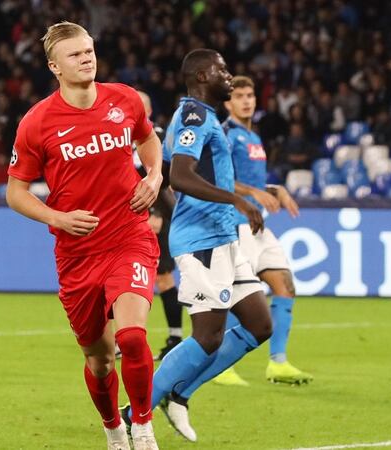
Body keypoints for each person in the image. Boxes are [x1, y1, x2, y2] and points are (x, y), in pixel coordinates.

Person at [6, 22, 162, 450]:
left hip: (129, 235)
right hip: (77, 254)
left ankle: (144, 427)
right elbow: (15, 193)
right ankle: (113, 428)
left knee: (132, 337)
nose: (87, 58)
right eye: (75, 55)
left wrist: (154, 174)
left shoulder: (125, 99)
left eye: (89, 50)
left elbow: (148, 139)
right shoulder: (37, 122)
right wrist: (56, 217)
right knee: (99, 358)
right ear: (55, 66)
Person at [144, 49, 273, 443]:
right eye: (222, 69)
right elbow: (180, 176)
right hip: (202, 242)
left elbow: (169, 176)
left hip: (223, 238)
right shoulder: (194, 116)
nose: (229, 75)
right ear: (202, 75)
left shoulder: (207, 117)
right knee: (208, 336)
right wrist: (235, 199)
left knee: (258, 324)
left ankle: (180, 394)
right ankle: (136, 411)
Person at [213, 75, 313, 386]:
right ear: (228, 103)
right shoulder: (225, 134)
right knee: (236, 294)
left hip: (257, 225)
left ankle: (278, 363)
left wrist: (274, 188)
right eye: (239, 96)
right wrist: (254, 194)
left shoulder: (253, 138)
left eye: (250, 96)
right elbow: (217, 179)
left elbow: (253, 184)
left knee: (285, 285)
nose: (246, 101)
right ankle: (222, 364)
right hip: (235, 222)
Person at [134, 91, 183, 360]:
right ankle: (120, 340)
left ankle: (175, 335)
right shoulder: (118, 137)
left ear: (149, 111)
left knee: (164, 278)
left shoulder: (158, 136)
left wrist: (154, 210)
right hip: (125, 216)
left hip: (156, 215)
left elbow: (162, 175)